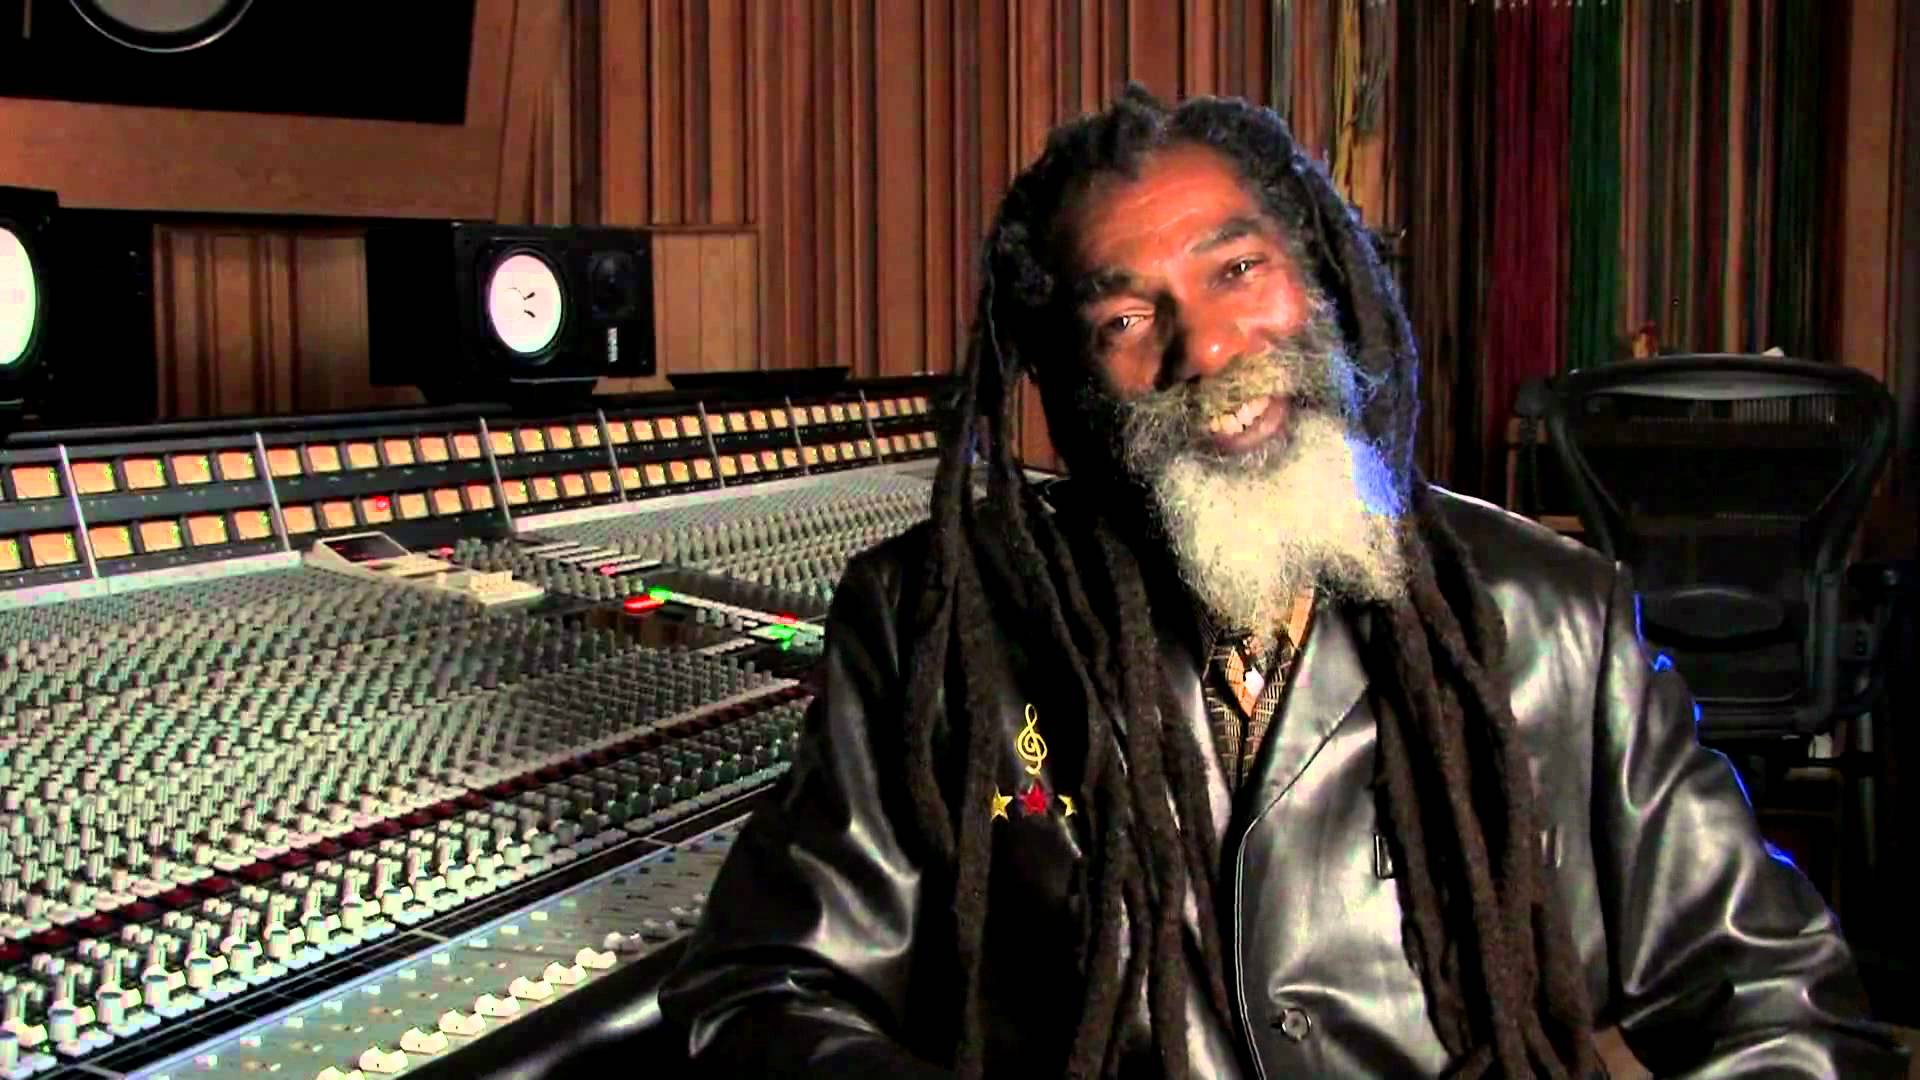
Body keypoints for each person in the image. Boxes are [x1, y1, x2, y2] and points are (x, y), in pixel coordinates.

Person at [658, 87, 1907, 1078]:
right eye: (1126, 319)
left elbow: (1779, 1002)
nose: (1207, 347)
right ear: (1071, 379)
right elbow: (765, 988)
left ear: (1319, 275)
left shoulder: (1548, 616)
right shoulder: (936, 620)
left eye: (1237, 270)